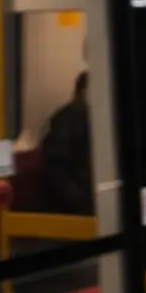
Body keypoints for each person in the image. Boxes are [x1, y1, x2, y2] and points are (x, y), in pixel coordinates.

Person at [41, 70, 93, 215]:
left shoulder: (98, 121)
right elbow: (56, 170)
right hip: (75, 204)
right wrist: (83, 200)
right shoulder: (65, 121)